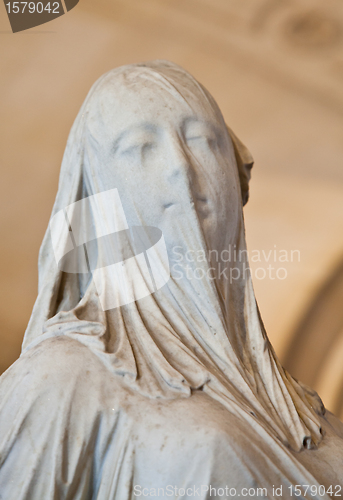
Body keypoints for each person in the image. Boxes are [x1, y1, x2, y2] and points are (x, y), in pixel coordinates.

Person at [0, 60, 342, 499]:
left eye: (202, 140)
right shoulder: (64, 375)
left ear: (236, 177)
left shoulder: (318, 418)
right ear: (100, 198)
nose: (181, 166)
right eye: (141, 147)